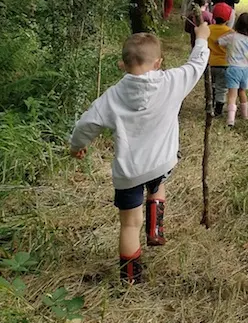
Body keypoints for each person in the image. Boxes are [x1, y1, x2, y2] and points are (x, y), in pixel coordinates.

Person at [69, 23, 212, 283]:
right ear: (158, 63)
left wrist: (76, 146)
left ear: (122, 65)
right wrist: (201, 39)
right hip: (162, 162)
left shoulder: (111, 97)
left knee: (129, 224)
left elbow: (86, 124)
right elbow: (196, 66)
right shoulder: (171, 82)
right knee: (157, 183)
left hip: (129, 172)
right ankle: (156, 229)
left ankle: (131, 278)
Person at [217, 13, 248, 126]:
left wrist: (229, 31)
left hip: (233, 68)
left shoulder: (232, 37)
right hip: (247, 70)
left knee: (232, 94)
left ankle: (230, 119)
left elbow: (219, 41)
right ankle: (245, 116)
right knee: (242, 92)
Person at [208, 3, 235, 116]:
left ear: (213, 16)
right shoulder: (230, 32)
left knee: (211, 85)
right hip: (225, 64)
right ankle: (218, 110)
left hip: (210, 63)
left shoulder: (208, 29)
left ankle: (209, 104)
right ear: (228, 18)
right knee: (222, 88)